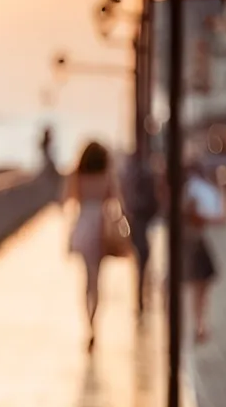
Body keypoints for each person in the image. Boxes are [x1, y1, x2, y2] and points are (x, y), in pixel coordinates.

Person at [63, 141, 122, 350]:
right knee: (97, 281)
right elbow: (116, 201)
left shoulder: (77, 175)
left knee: (86, 280)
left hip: (83, 225)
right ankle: (94, 322)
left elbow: (68, 199)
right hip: (101, 227)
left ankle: (88, 325)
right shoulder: (107, 175)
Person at [183, 163, 224, 344]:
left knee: (200, 289)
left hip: (198, 242)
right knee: (199, 289)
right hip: (196, 242)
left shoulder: (193, 190)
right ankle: (199, 324)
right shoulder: (193, 191)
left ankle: (199, 323)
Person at [121, 153, 160, 316]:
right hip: (141, 220)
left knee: (141, 257)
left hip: (136, 220)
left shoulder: (129, 176)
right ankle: (141, 294)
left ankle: (141, 294)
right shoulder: (145, 174)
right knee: (143, 257)